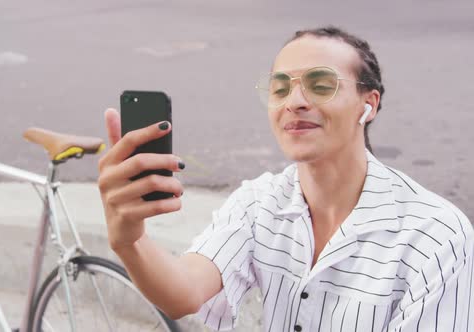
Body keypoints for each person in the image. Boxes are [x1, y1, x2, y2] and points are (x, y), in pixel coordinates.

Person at [97, 26, 474, 331]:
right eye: (280, 88)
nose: (295, 101)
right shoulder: (260, 203)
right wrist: (129, 239)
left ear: (368, 104)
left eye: (321, 84)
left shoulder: (435, 237)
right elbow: (183, 293)